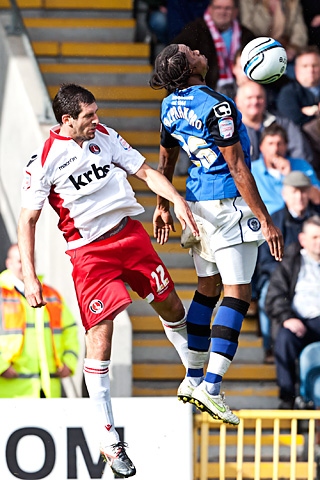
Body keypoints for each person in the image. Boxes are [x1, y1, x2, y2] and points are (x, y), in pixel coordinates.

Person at [17, 83, 200, 479]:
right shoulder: (44, 160)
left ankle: (197, 379)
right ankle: (107, 437)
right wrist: (30, 278)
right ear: (67, 121)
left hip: (129, 235)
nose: (96, 120)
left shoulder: (105, 136)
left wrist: (177, 201)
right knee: (101, 337)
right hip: (90, 253)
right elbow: (27, 220)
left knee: (172, 306)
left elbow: (147, 172)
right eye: (89, 116)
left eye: (97, 113)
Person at [149, 43, 283, 425]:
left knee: (207, 289)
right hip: (227, 206)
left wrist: (162, 204)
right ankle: (211, 387)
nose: (197, 50)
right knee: (238, 294)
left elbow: (166, 156)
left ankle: (192, 378)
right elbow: (237, 165)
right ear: (188, 68)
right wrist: (265, 219)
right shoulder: (217, 105)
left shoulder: (169, 104)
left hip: (194, 205)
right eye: (190, 52)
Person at [256, 171, 320, 363]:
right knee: (269, 293)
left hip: (310, 275)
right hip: (280, 277)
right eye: (294, 192)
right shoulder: (274, 221)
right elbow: (265, 260)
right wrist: (285, 277)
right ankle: (271, 346)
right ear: (284, 194)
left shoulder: (317, 220)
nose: (299, 197)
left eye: (303, 191)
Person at [0, 244, 79, 398]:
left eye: (30, 260)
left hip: (47, 389)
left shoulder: (51, 294)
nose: (26, 265)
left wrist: (69, 361)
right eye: (20, 261)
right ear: (8, 263)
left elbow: (70, 329)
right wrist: (1, 366)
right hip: (9, 392)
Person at [265, 215, 320, 409]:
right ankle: (288, 397)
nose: (319, 242)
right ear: (303, 239)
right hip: (300, 322)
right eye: (315, 237)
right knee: (284, 339)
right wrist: (287, 318)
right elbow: (273, 297)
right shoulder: (291, 262)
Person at [172, 0, 255, 91]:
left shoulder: (246, 35)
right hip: (205, 90)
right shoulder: (194, 31)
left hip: (240, 89)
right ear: (210, 9)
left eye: (228, 8)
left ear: (236, 12)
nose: (223, 12)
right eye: (218, 7)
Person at [235, 81, 313, 162]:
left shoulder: (283, 124)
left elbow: (301, 154)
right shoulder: (231, 128)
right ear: (237, 101)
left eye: (259, 97)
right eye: (249, 98)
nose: (255, 102)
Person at [251, 123, 320, 214]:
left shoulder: (301, 165)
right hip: (267, 221)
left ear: (286, 146)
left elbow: (317, 198)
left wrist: (290, 176)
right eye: (270, 144)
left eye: (279, 144)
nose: (275, 149)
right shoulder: (252, 170)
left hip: (297, 221)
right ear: (261, 147)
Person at [239, 0, 308, 77]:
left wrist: (293, 48)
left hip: (284, 50)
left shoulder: (292, 2)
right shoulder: (249, 2)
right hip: (257, 50)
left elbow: (299, 30)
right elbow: (247, 28)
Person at [277, 46, 320, 127]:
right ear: (296, 69)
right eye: (305, 66)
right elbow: (294, 122)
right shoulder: (287, 93)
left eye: (315, 65)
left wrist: (310, 112)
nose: (311, 70)